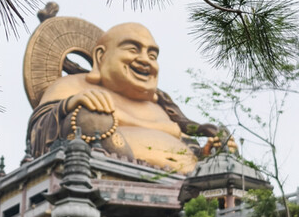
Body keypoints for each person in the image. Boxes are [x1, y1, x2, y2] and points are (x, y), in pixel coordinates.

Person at [27, 22, 223, 172]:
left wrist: (206, 152)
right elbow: (39, 129)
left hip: (185, 187)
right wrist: (70, 104)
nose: (145, 60)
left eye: (152, 55)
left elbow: (189, 147)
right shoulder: (73, 85)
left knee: (223, 151)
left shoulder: (160, 109)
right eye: (133, 49)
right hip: (113, 176)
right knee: (89, 119)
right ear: (100, 57)